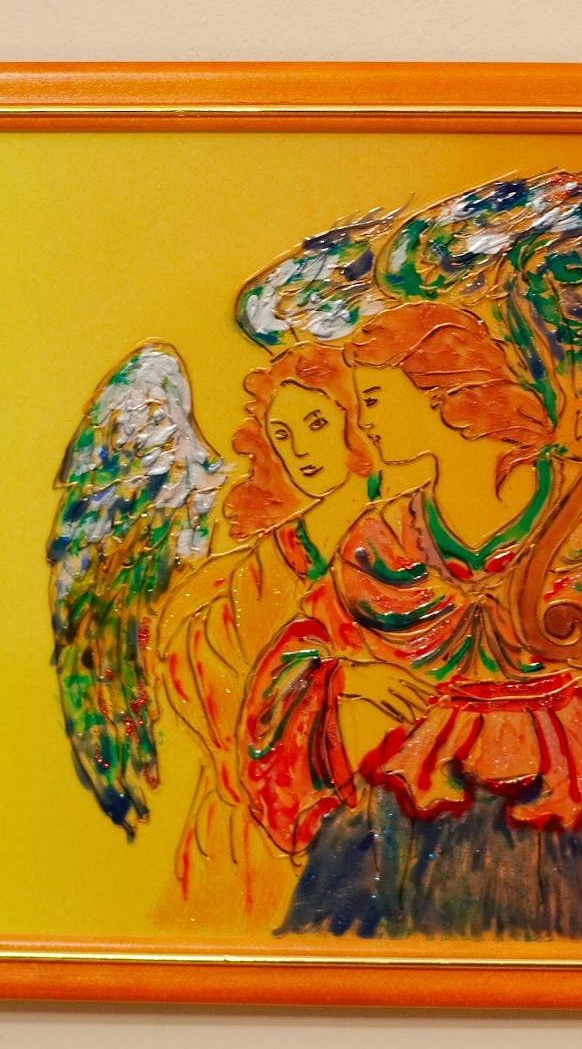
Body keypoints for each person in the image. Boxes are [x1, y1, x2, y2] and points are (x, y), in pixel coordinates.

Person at [239, 304, 582, 940]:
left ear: (441, 390)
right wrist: (347, 679)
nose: (364, 422)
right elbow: (301, 652)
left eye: (374, 398)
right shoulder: (381, 539)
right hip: (422, 791)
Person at [150, 342, 384, 934]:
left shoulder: (408, 529)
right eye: (282, 433)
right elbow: (242, 702)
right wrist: (344, 681)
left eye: (316, 422)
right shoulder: (266, 567)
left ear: (356, 417)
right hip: (276, 827)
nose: (299, 449)